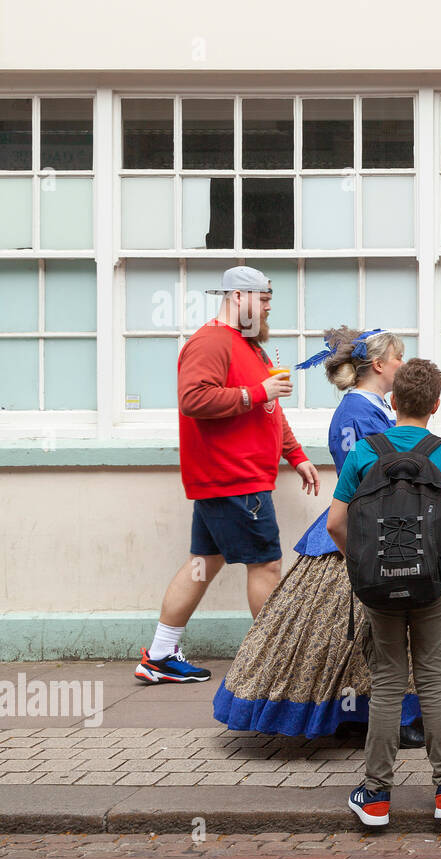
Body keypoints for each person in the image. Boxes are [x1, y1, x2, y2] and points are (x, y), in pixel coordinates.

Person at [213, 327, 439, 745]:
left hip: (383, 523)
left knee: (371, 628)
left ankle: (377, 713)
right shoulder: (357, 412)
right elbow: (371, 477)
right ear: (379, 364)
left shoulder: (373, 407)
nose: (403, 365)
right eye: (399, 357)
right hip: (368, 526)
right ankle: (375, 717)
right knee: (362, 627)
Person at [136, 265, 319, 686]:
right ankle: (276, 663)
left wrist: (295, 454)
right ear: (238, 298)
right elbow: (193, 398)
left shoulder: (249, 347)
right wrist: (257, 393)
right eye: (264, 299)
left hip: (234, 479)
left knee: (204, 562)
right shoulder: (211, 342)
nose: (270, 308)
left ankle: (160, 655)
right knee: (267, 566)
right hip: (235, 480)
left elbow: (269, 411)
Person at [327, 358, 441, 825]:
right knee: (434, 680)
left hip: (377, 586)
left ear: (392, 401)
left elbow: (337, 523)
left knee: (388, 682)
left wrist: (360, 567)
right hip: (431, 584)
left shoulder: (364, 454)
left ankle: (375, 795)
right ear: (437, 404)